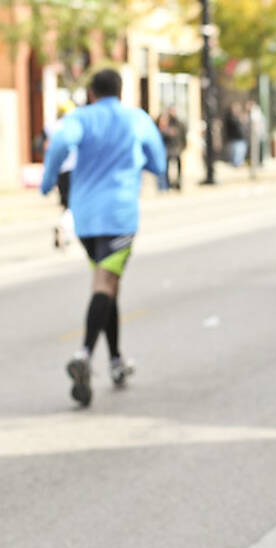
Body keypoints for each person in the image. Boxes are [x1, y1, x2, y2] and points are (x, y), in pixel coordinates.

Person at [40, 68, 166, 407]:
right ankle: (84, 355)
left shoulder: (81, 117)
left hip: (85, 218)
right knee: (105, 284)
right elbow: (157, 157)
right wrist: (159, 172)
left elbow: (61, 143)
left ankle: (116, 361)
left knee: (109, 284)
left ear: (92, 93)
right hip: (119, 216)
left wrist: (48, 179)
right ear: (120, 91)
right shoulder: (134, 118)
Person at [44, 99, 77, 248]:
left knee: (65, 202)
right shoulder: (73, 126)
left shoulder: (52, 127)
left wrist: (47, 180)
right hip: (74, 169)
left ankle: (66, 235)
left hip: (60, 171)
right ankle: (64, 227)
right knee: (73, 205)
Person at [156, 106, 187, 191]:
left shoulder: (180, 123)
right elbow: (161, 134)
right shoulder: (165, 123)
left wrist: (183, 146)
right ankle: (167, 183)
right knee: (167, 167)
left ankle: (178, 182)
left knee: (178, 166)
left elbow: (183, 135)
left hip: (177, 147)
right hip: (169, 148)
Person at [223, 102, 247, 167]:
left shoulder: (238, 117)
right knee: (234, 154)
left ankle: (238, 164)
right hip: (233, 139)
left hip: (240, 138)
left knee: (239, 154)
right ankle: (235, 165)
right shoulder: (229, 117)